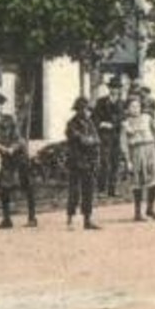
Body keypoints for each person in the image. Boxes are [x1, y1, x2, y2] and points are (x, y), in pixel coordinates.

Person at [0, 91, 37, 228]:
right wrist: (1, 149)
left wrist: (13, 147)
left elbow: (18, 137)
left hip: (18, 155)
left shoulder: (9, 119)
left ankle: (32, 217)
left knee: (27, 184)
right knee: (4, 187)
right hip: (2, 157)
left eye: (0, 104)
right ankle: (7, 219)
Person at [122, 94, 155, 222]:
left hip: (150, 150)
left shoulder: (147, 118)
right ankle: (137, 213)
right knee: (137, 181)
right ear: (127, 109)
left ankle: (150, 208)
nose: (136, 109)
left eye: (138, 106)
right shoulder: (125, 124)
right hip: (136, 152)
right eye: (132, 106)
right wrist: (127, 160)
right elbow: (123, 143)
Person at [64, 96, 101, 231]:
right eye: (85, 109)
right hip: (76, 162)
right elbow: (81, 140)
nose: (87, 112)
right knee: (74, 191)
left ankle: (88, 219)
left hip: (89, 162)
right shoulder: (71, 124)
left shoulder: (90, 123)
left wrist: (90, 141)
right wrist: (89, 140)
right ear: (78, 110)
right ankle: (70, 220)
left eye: (88, 110)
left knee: (88, 191)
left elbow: (97, 140)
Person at [92, 77, 124, 197]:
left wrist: (113, 124)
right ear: (109, 88)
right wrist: (101, 123)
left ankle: (113, 189)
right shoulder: (101, 102)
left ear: (120, 90)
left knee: (115, 162)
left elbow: (122, 118)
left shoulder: (122, 103)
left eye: (117, 88)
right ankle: (102, 190)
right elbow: (95, 117)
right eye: (113, 87)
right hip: (104, 136)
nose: (115, 90)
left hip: (116, 135)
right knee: (104, 162)